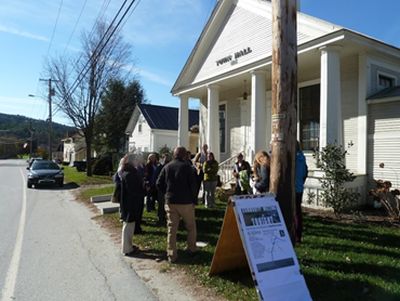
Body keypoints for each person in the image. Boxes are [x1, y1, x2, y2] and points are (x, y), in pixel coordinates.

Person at [156, 146, 198, 263]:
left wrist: (167, 193)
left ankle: (171, 255)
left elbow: (158, 183)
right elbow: (193, 186)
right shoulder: (188, 168)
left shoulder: (167, 167)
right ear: (184, 155)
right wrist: (193, 199)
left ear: (174, 155)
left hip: (171, 201)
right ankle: (192, 249)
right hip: (186, 202)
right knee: (191, 227)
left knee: (172, 229)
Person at [120, 154, 145, 256]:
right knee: (128, 226)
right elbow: (133, 190)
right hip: (130, 204)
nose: (137, 161)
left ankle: (128, 246)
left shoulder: (129, 172)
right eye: (136, 160)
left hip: (131, 203)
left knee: (130, 226)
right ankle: (127, 248)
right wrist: (142, 190)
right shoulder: (129, 174)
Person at [295, 141, 308, 243]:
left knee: (294, 211)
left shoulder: (293, 158)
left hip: (293, 188)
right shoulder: (302, 158)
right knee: (298, 211)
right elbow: (305, 172)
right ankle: (298, 235)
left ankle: (295, 234)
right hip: (299, 188)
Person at [154, 153, 171, 225]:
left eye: (167, 158)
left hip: (168, 189)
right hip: (161, 188)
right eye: (165, 158)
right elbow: (157, 178)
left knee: (167, 204)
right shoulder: (160, 167)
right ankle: (160, 218)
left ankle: (166, 217)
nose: (166, 159)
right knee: (161, 204)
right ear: (162, 158)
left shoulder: (170, 167)